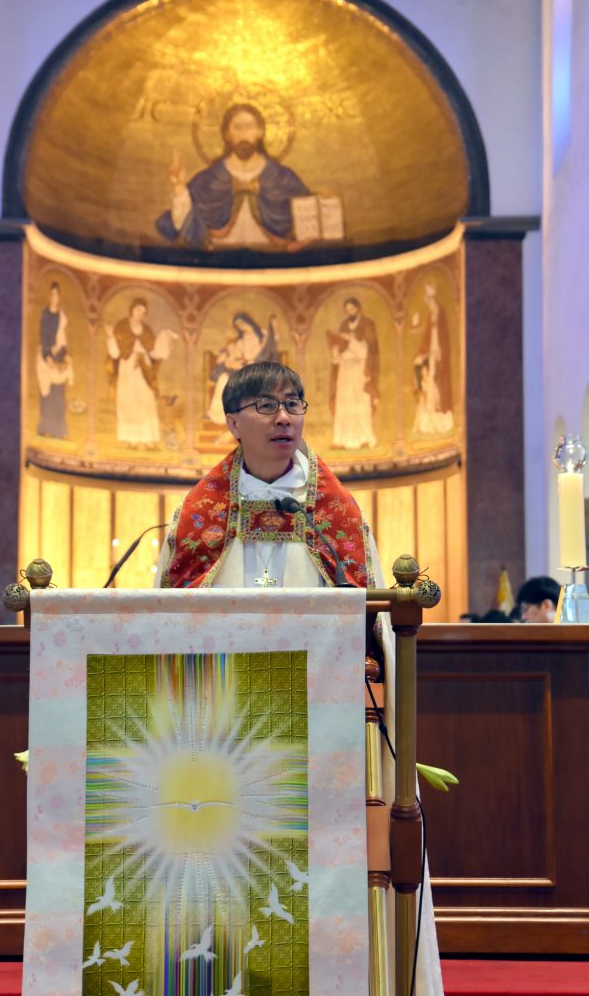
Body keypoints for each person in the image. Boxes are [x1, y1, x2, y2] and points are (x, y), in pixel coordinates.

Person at [155, 361, 443, 996]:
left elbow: (376, 626)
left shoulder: (338, 515)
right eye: (265, 405)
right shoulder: (197, 516)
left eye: (294, 404)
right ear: (233, 422)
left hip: (327, 729)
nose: (283, 417)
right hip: (222, 728)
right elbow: (166, 625)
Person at [156, 103, 311, 250]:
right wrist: (179, 186)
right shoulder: (210, 179)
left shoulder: (281, 177)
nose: (244, 134)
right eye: (237, 127)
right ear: (226, 134)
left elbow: (308, 215)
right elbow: (184, 223)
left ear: (260, 132)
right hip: (218, 259)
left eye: (249, 126)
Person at [105, 297, 176, 447]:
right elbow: (115, 353)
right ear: (132, 309)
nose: (140, 314)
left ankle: (147, 437)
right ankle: (128, 437)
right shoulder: (122, 327)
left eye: (143, 312)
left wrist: (164, 345)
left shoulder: (147, 331)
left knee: (145, 400)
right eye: (138, 310)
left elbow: (153, 353)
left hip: (143, 369)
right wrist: (111, 336)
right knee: (128, 400)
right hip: (127, 367)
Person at [206, 312, 279, 424]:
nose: (242, 327)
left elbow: (270, 350)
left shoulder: (263, 335)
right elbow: (236, 356)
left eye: (242, 323)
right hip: (245, 369)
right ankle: (220, 415)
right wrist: (232, 360)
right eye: (238, 326)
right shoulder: (241, 342)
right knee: (223, 378)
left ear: (248, 322)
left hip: (262, 369)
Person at [327, 296, 379, 449]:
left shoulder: (367, 324)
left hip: (360, 369)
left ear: (358, 308)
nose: (349, 312)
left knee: (361, 402)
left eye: (352, 309)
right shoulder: (344, 325)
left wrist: (351, 339)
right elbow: (340, 347)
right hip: (345, 370)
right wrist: (336, 352)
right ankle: (341, 439)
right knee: (344, 403)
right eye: (347, 310)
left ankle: (365, 438)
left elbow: (370, 349)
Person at [413, 283, 453, 435]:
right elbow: (426, 337)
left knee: (438, 381)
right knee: (428, 379)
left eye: (430, 300)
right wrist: (422, 353)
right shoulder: (430, 316)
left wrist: (439, 350)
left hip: (439, 352)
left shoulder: (440, 313)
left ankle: (439, 414)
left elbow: (443, 335)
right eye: (427, 300)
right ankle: (430, 414)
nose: (428, 303)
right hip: (431, 352)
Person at [36, 281, 73, 439]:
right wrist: (48, 357)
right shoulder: (46, 315)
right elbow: (44, 337)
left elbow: (62, 339)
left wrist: (65, 355)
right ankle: (45, 428)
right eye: (52, 294)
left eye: (57, 294)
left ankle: (59, 430)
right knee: (47, 395)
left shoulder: (61, 316)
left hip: (58, 357)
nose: (55, 297)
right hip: (46, 357)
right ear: (49, 296)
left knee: (59, 395)